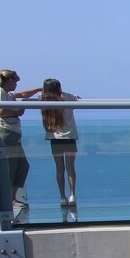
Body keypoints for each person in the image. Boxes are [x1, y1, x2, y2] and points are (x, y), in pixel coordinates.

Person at [0, 70, 42, 209]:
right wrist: (17, 112)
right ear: (10, 80)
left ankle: (11, 198)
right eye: (15, 81)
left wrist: (39, 89)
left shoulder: (7, 94)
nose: (17, 84)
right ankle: (7, 200)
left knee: (22, 166)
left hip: (12, 133)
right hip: (5, 132)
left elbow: (22, 94)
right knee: (11, 167)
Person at [38, 78, 81, 209]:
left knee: (59, 168)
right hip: (69, 136)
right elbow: (77, 99)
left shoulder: (43, 100)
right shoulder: (67, 97)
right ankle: (72, 194)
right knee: (70, 167)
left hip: (54, 137)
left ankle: (62, 196)